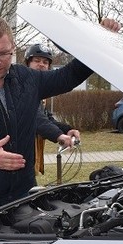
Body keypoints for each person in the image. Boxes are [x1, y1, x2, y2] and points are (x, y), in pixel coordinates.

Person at [0, 16, 120, 232]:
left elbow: (69, 76)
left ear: (13, 48)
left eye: (3, 54)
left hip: (21, 198)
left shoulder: (27, 79)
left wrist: (98, 40)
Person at [25, 43, 81, 174]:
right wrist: (58, 135)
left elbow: (46, 118)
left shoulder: (39, 92)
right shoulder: (22, 87)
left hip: (30, 154)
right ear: (27, 63)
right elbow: (35, 119)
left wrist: (67, 130)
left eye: (45, 62)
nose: (41, 64)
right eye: (37, 61)